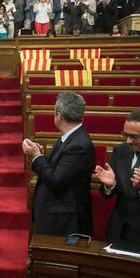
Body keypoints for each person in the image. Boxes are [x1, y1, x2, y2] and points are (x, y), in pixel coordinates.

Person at [22, 92, 94, 236]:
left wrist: (36, 156)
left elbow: (56, 180)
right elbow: (60, 169)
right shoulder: (70, 137)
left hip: (64, 222)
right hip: (56, 215)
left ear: (59, 116)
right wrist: (41, 155)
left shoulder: (79, 144)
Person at [96, 108, 140, 245]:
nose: (128, 141)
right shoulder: (120, 151)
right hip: (118, 228)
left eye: (133, 137)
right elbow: (112, 191)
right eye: (125, 135)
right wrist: (111, 185)